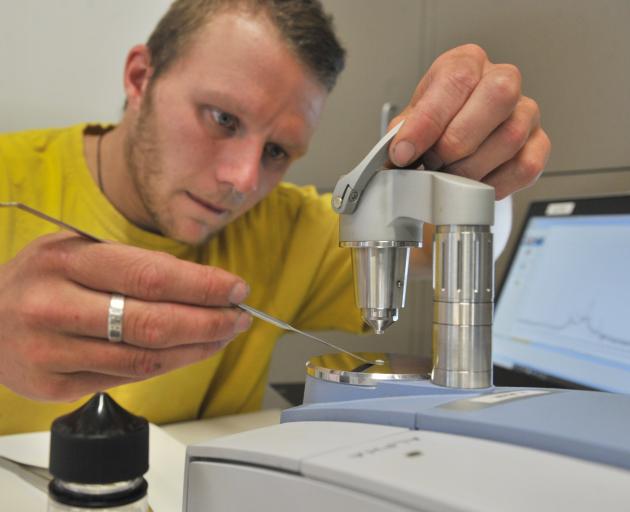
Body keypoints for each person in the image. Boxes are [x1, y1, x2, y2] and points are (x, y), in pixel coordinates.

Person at [0, 0, 550, 434]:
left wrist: (477, 165)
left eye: (277, 152)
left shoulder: (289, 229)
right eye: (223, 118)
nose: (243, 180)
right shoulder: (10, 182)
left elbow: (441, 240)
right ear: (141, 77)